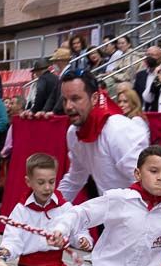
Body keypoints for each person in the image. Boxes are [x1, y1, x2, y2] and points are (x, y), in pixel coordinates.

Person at [56, 70, 151, 202]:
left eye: (75, 99)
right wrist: (50, 209)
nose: (68, 106)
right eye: (65, 100)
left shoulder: (118, 129)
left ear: (94, 98)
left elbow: (147, 183)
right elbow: (74, 178)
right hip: (112, 216)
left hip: (142, 214)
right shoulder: (73, 133)